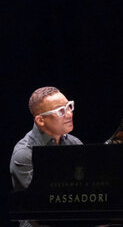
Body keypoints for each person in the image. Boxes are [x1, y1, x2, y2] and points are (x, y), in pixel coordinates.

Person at [10, 86, 82, 227]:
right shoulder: (25, 154)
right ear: (41, 120)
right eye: (61, 111)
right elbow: (44, 202)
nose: (69, 114)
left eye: (69, 106)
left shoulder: (74, 143)